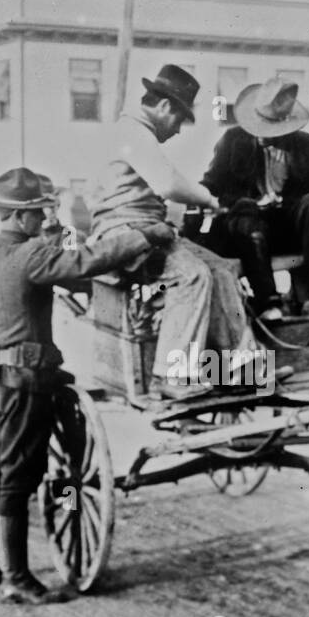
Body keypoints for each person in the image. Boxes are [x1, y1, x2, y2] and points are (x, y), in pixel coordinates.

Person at [0, 167, 151, 604]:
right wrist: (144, 237)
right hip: (25, 383)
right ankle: (15, 577)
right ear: (21, 217)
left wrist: (59, 234)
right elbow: (84, 263)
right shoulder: (30, 256)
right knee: (20, 479)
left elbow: (65, 270)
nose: (44, 219)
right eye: (40, 213)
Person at [89, 64, 260, 401]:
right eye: (180, 119)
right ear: (164, 107)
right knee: (191, 275)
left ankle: (238, 370)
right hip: (122, 232)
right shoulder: (131, 133)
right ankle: (171, 376)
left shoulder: (138, 135)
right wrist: (209, 200)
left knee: (223, 269)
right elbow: (167, 183)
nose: (179, 129)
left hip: (149, 230)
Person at [201, 77, 309, 319]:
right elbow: (213, 184)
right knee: (247, 215)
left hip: (287, 228)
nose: (262, 134)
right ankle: (268, 302)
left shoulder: (305, 145)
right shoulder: (232, 140)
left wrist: (302, 209)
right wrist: (248, 204)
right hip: (246, 227)